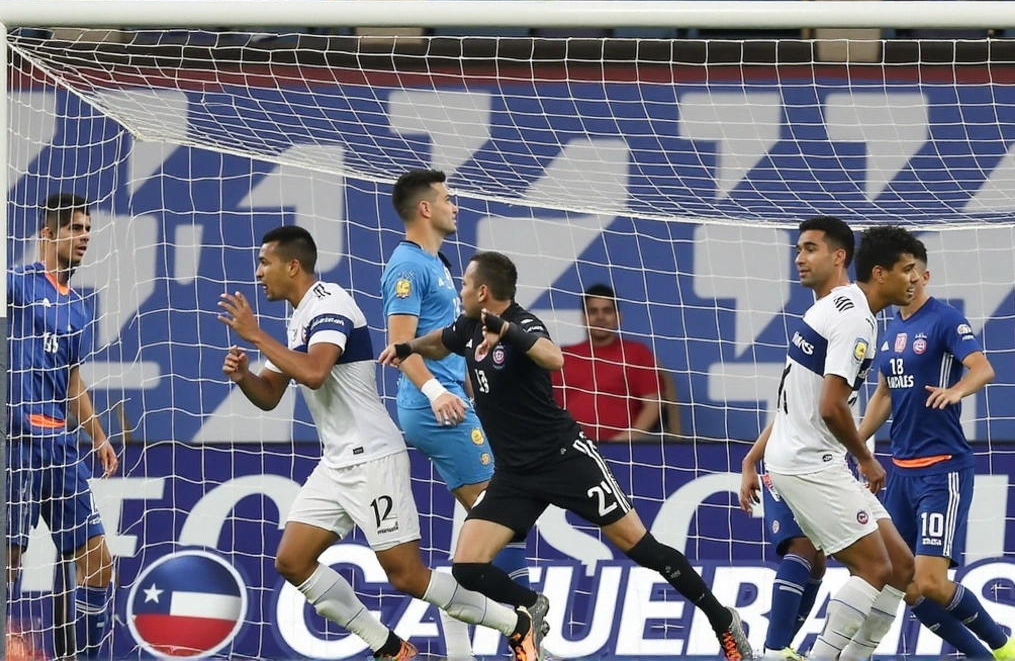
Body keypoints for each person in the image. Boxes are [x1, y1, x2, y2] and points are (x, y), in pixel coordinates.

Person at [381, 251, 754, 660]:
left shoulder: (523, 325)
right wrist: (407, 345)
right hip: (515, 474)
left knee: (642, 548)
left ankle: (723, 621)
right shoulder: (470, 325)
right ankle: (531, 607)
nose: (462, 290)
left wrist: (506, 331)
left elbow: (552, 357)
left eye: (466, 285)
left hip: (565, 460)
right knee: (467, 567)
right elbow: (440, 341)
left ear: (483, 292)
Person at [217, 225, 542, 661]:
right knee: (292, 561)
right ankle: (389, 647)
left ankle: (516, 624)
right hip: (336, 464)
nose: (258, 273)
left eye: (264, 262)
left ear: (292, 265)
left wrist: (256, 336)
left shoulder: (330, 304)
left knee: (407, 576)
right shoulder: (296, 318)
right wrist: (244, 378)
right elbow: (271, 395)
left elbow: (314, 371)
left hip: (372, 460)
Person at [756, 220, 925, 661]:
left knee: (902, 568)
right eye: (906, 269)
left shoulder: (844, 306)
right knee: (874, 567)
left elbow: (807, 399)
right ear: (881, 273)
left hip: (816, 459)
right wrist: (866, 458)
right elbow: (832, 407)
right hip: (807, 464)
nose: (915, 279)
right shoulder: (854, 319)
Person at [380, 170, 530, 660]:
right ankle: (526, 629)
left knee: (483, 532)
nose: (455, 205)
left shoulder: (439, 265)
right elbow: (400, 346)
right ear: (425, 209)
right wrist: (433, 391)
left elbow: (449, 349)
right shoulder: (407, 267)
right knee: (500, 516)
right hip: (434, 408)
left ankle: (477, 645)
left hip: (452, 400)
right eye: (447, 198)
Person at [858, 247, 1015, 659]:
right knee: (908, 586)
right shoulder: (888, 333)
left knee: (933, 582)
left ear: (926, 275)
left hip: (942, 470)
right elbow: (885, 392)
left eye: (916, 270)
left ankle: (1006, 647)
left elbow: (983, 368)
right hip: (900, 473)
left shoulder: (945, 320)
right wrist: (854, 439)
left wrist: (957, 390)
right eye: (905, 271)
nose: (912, 278)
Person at [8, 193, 118, 659]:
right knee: (8, 565)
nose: (85, 237)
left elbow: (72, 379)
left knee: (98, 563)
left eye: (89, 229)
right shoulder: (14, 287)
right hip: (15, 445)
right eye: (75, 228)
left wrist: (97, 434)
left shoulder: (79, 308)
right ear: (47, 234)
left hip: (60, 447)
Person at [739, 438, 825, 660]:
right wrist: (749, 462)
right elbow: (783, 415)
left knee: (817, 563)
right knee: (802, 546)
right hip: (792, 462)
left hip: (824, 463)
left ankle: (780, 649)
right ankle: (775, 649)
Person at [555, 283, 663, 442]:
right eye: (593, 311)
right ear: (584, 318)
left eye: (607, 311)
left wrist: (626, 440)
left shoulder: (637, 353)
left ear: (618, 317)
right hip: (569, 451)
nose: (600, 317)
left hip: (623, 451)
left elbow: (653, 404)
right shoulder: (561, 356)